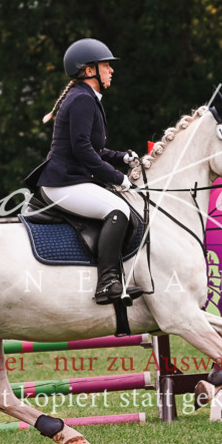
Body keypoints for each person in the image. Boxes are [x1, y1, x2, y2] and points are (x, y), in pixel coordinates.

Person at [33, 38, 142, 305]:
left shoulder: (86, 97)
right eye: (106, 65)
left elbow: (93, 149)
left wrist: (122, 157)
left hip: (70, 179)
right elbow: (83, 151)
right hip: (63, 183)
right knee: (119, 210)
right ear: (89, 70)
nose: (111, 70)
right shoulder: (82, 99)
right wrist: (118, 178)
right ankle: (107, 282)